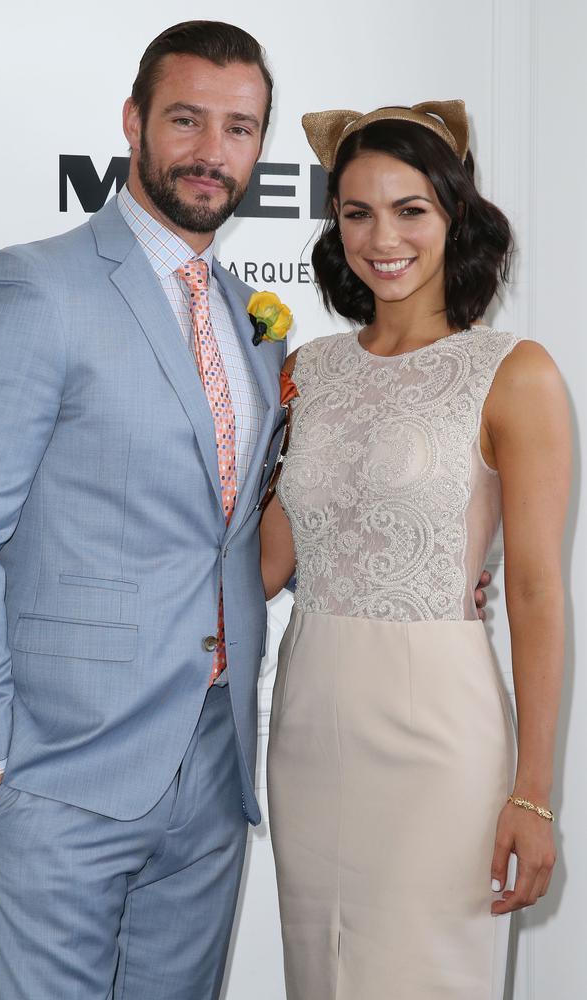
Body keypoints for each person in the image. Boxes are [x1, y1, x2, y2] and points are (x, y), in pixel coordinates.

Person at [0, 20, 288, 1000]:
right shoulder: (32, 287)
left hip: (211, 784)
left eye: (238, 128)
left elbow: (234, 529)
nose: (211, 152)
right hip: (56, 779)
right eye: (186, 120)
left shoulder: (249, 321)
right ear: (134, 122)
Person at [261, 101, 570, 999]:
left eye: (410, 210)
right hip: (312, 729)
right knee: (323, 975)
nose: (381, 236)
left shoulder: (516, 372)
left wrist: (535, 792)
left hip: (442, 741)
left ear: (454, 216)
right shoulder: (307, 369)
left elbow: (541, 594)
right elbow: (270, 561)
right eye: (356, 212)